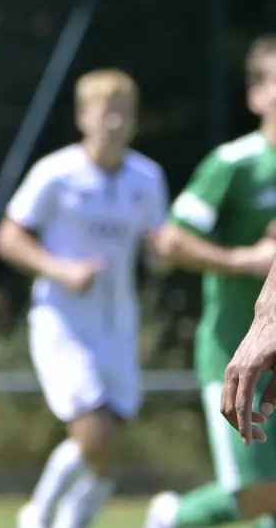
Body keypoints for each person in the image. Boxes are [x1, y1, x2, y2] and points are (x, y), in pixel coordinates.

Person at [0, 69, 169, 528]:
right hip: (64, 322)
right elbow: (9, 237)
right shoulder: (56, 173)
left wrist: (166, 253)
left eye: (124, 113)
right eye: (106, 112)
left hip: (118, 324)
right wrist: (61, 270)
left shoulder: (148, 178)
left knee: (109, 444)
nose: (116, 123)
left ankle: (71, 519)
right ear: (82, 117)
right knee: (94, 432)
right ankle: (39, 515)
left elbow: (157, 251)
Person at [154, 35, 276, 528]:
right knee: (258, 491)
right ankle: (173, 518)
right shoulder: (235, 164)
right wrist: (245, 260)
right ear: (255, 95)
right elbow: (172, 240)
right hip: (236, 348)